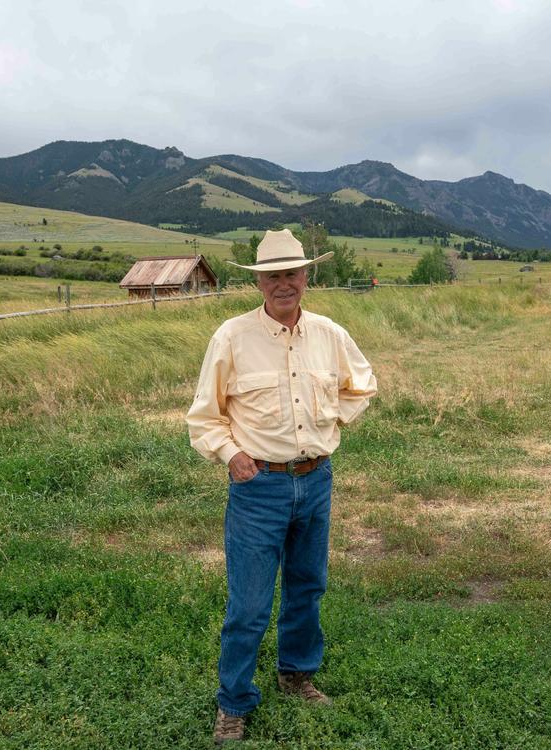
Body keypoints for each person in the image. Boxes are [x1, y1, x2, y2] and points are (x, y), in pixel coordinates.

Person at [186, 228, 377, 744]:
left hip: (316, 481)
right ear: (259, 283)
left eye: (291, 273)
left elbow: (363, 384)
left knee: (307, 587)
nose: (282, 284)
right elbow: (204, 418)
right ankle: (234, 703)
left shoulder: (330, 335)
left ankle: (296, 675)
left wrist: (330, 421)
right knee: (248, 603)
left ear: (306, 276)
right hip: (258, 488)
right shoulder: (231, 337)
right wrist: (232, 455)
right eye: (272, 276)